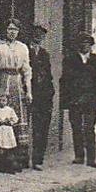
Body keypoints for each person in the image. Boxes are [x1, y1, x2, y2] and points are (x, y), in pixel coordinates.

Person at [60, 34, 96, 167]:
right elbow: (66, 80)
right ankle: (79, 156)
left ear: (90, 45)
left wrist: (95, 96)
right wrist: (69, 98)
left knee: (89, 128)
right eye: (82, 43)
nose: (84, 45)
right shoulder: (70, 60)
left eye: (87, 43)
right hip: (75, 99)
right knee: (77, 128)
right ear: (78, 45)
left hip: (91, 100)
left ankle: (91, 159)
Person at [0, 20, 32, 166]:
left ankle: (20, 157)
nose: (12, 32)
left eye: (15, 29)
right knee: (3, 114)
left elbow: (27, 70)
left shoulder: (22, 47)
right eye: (9, 29)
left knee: (18, 115)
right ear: (5, 31)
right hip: (3, 79)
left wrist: (28, 91)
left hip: (17, 82)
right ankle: (3, 156)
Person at [27, 25, 55, 170]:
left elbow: (48, 76)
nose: (38, 37)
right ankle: (22, 159)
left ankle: (37, 159)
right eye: (36, 34)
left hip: (42, 96)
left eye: (41, 36)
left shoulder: (44, 54)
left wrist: (49, 94)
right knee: (24, 127)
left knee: (41, 128)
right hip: (27, 92)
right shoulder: (24, 51)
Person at [0, 93, 20, 173]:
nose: (1, 102)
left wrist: (10, 121)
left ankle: (9, 167)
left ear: (7, 101)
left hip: (7, 130)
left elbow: (15, 118)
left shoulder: (9, 110)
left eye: (4, 100)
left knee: (8, 148)